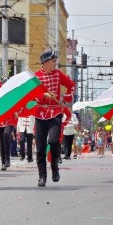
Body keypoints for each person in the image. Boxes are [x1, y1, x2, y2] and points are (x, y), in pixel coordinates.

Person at [33, 51, 76, 187]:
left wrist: (66, 99)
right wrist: (44, 95)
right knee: (40, 147)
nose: (55, 64)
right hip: (40, 112)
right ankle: (42, 176)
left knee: (53, 141)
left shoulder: (58, 74)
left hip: (56, 112)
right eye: (53, 61)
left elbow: (71, 85)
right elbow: (31, 95)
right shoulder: (36, 77)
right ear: (45, 62)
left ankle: (55, 166)